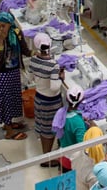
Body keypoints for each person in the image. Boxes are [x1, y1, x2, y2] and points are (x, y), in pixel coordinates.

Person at [0, 11, 29, 140]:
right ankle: (9, 132)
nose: (1, 29)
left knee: (13, 99)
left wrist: (34, 53)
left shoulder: (17, 34)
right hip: (3, 75)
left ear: (10, 25)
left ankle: (9, 123)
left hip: (13, 73)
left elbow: (25, 50)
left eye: (4, 26)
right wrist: (1, 43)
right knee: (5, 101)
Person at [28, 32, 63, 166]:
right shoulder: (53, 64)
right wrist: (60, 78)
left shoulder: (33, 60)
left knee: (43, 127)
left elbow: (30, 78)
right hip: (51, 102)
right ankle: (47, 159)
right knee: (50, 129)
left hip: (39, 98)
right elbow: (54, 87)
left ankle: (45, 155)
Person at [58, 88, 88, 171]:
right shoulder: (77, 123)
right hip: (73, 161)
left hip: (62, 155)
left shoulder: (60, 113)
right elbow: (82, 145)